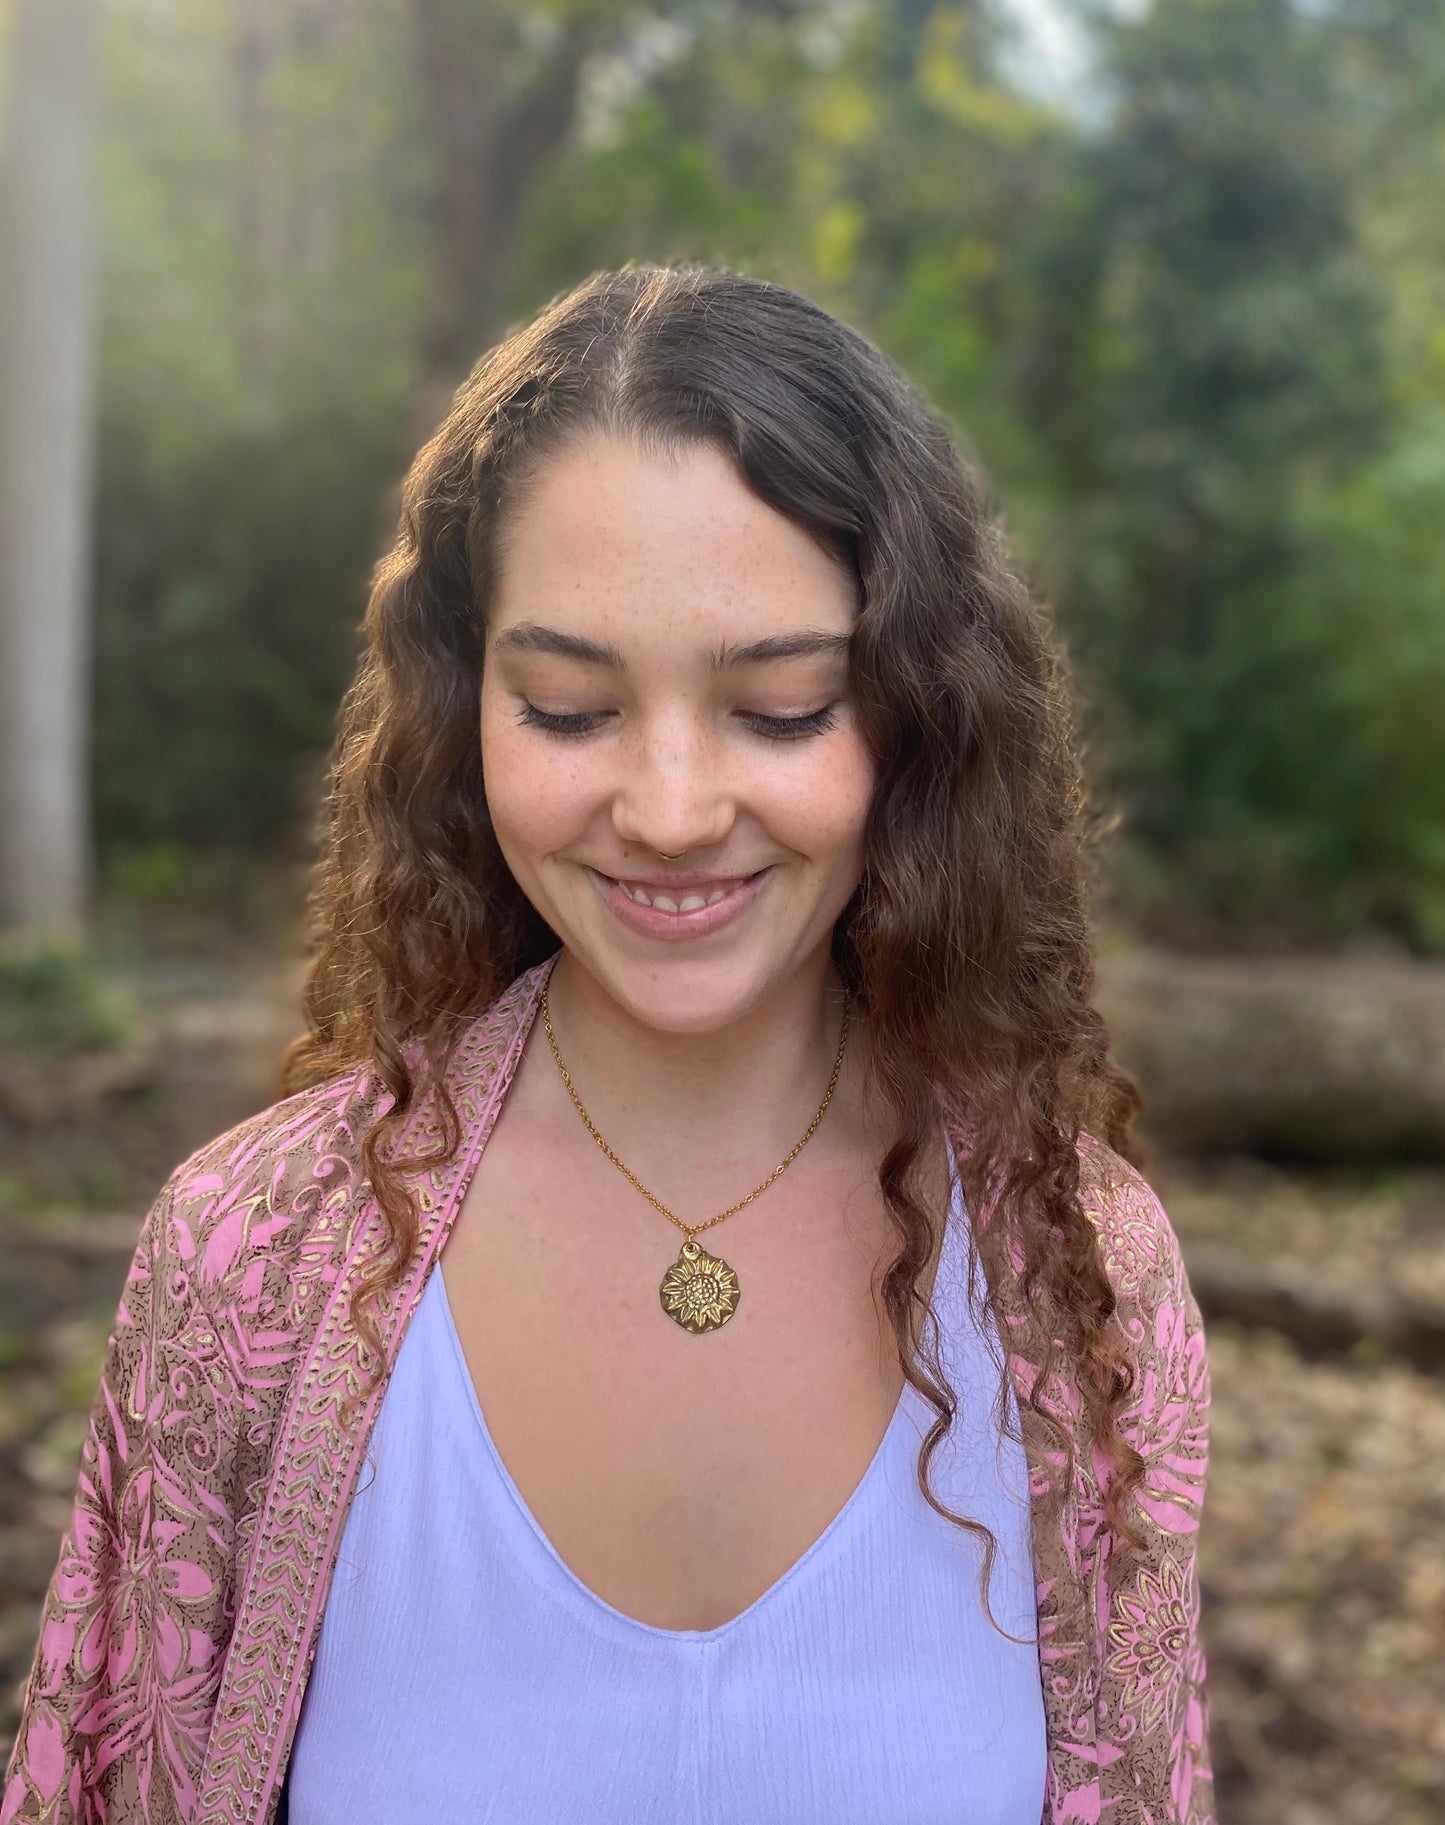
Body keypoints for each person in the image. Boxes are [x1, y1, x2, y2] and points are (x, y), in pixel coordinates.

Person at [1, 263, 1213, 1825]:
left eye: (779, 707)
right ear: (462, 708)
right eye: (570, 706)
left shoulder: (1082, 1282)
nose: (667, 806)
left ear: (917, 714)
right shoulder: (250, 1266)